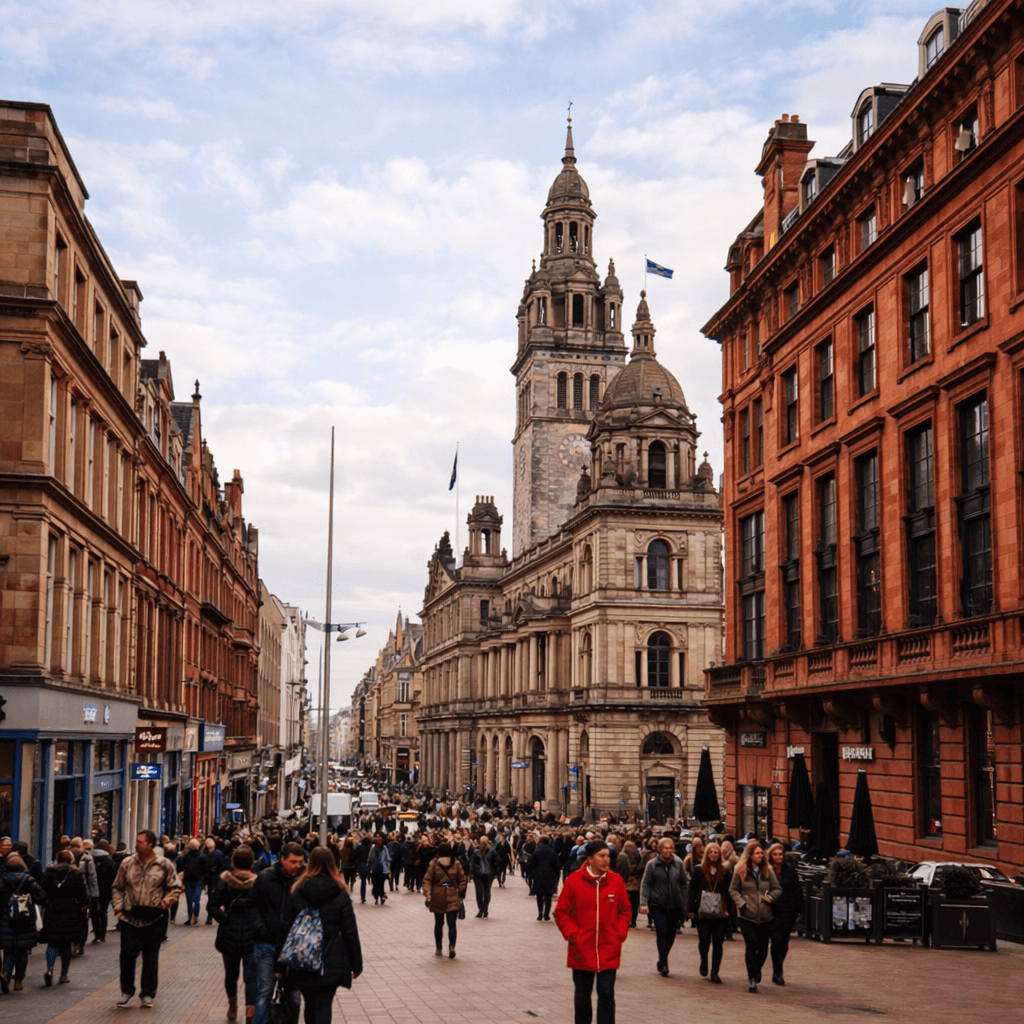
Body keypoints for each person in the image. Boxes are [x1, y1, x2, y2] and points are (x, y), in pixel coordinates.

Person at [281, 847, 362, 1024]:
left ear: (309, 864)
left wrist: (279, 965)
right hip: (330, 957)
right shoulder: (340, 893)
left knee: (309, 1004)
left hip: (302, 958)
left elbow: (286, 929)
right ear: (333, 865)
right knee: (324, 1005)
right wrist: (356, 964)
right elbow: (350, 931)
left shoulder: (296, 890)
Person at [554, 840, 630, 1024]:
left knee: (606, 993)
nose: (606, 860)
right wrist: (574, 935)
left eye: (608, 856)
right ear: (589, 859)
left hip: (608, 947)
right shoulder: (573, 881)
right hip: (582, 948)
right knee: (582, 996)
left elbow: (625, 910)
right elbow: (561, 912)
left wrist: (619, 933)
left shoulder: (615, 881)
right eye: (601, 856)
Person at [110, 829, 184, 1008]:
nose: (137, 844)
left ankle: (148, 993)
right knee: (127, 955)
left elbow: (176, 888)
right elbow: (118, 887)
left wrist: (164, 904)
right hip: (130, 918)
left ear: (150, 844)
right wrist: (118, 909)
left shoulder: (164, 864)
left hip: (154, 918)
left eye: (140, 841)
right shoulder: (127, 863)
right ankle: (127, 990)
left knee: (151, 957)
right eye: (137, 841)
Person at [252, 841, 305, 1024]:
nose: (297, 865)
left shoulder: (302, 880)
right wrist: (261, 929)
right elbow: (252, 907)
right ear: (282, 859)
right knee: (265, 991)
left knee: (295, 996)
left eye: (300, 861)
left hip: (293, 946)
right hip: (267, 943)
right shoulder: (266, 877)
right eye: (293, 861)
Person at [210, 845, 259, 1021]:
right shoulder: (259, 882)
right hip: (252, 934)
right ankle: (250, 1011)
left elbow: (212, 906)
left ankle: (232, 1006)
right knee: (251, 976)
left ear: (233, 861)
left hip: (228, 933)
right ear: (252, 862)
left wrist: (224, 919)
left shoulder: (224, 881)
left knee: (231, 975)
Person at [728, 839, 781, 993]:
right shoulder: (740, 870)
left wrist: (770, 897)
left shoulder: (767, 870)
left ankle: (757, 969)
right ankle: (752, 978)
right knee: (751, 944)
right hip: (747, 915)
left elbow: (777, 888)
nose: (760, 855)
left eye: (761, 853)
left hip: (765, 915)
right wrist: (741, 903)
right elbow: (733, 890)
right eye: (757, 853)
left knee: (763, 947)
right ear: (750, 855)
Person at [638, 837, 687, 978]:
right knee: (662, 931)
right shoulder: (652, 865)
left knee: (671, 934)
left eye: (670, 848)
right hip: (657, 904)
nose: (668, 851)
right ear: (660, 849)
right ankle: (664, 962)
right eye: (665, 848)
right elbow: (645, 884)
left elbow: (684, 883)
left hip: (675, 904)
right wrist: (643, 903)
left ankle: (662, 957)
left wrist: (685, 903)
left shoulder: (678, 863)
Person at [40, 848, 89, 986]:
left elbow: (42, 891)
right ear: (71, 860)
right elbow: (82, 893)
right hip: (71, 911)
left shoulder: (49, 871)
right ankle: (63, 975)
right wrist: (83, 907)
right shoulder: (76, 873)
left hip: (52, 910)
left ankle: (50, 969)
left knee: (52, 943)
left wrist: (46, 904)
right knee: (66, 944)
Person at [687, 842, 732, 983]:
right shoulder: (699, 870)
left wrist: (729, 910)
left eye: (716, 852)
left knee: (718, 942)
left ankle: (715, 971)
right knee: (704, 940)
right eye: (711, 852)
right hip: (703, 910)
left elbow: (729, 891)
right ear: (707, 853)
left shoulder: (725, 871)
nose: (714, 854)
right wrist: (690, 910)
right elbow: (692, 890)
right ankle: (704, 958)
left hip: (720, 911)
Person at [0, 854, 45, 992]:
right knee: (22, 950)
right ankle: (18, 981)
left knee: (9, 949)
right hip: (25, 917)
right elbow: (40, 895)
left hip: (6, 917)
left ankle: (6, 974)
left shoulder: (2, 880)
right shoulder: (28, 879)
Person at [766, 842, 803, 986]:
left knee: (784, 942)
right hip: (773, 910)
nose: (778, 857)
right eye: (775, 854)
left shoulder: (790, 871)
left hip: (788, 911)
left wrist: (800, 908)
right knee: (776, 941)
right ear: (771, 856)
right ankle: (777, 971)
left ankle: (779, 965)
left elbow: (797, 890)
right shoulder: (767, 871)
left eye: (780, 854)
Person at [422, 843, 467, 958]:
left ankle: (438, 947)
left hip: (438, 896)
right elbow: (463, 880)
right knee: (452, 924)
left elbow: (427, 880)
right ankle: (452, 946)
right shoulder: (456, 863)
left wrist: (428, 894)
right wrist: (459, 891)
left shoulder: (433, 864)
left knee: (439, 924)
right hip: (453, 895)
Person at [528, 835, 561, 921]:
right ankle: (546, 914)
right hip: (550, 877)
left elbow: (531, 865)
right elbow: (557, 866)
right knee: (548, 897)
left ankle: (540, 913)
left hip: (538, 876)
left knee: (539, 896)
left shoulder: (536, 851)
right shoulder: (552, 852)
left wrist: (531, 874)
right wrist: (556, 877)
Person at [177, 839, 207, 925]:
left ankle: (191, 916)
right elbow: (205, 869)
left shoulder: (187, 856)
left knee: (190, 900)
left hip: (191, 880)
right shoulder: (202, 856)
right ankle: (193, 916)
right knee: (195, 900)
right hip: (196, 880)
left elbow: (182, 867)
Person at [615, 841, 643, 928]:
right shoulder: (638, 857)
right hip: (635, 882)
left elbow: (621, 870)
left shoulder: (622, 856)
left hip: (626, 881)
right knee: (634, 902)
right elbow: (641, 868)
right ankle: (633, 921)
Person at [469, 836, 498, 918]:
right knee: (479, 892)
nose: (483, 844)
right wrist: (472, 873)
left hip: (489, 875)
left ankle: (485, 909)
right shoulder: (476, 852)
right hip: (478, 875)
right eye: (482, 843)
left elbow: (496, 862)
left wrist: (495, 872)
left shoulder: (492, 851)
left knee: (487, 892)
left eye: (485, 843)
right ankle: (480, 909)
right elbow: (472, 863)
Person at [367, 835, 390, 905]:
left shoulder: (384, 848)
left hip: (382, 870)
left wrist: (388, 865)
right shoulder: (373, 848)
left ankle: (380, 897)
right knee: (376, 884)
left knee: (380, 884)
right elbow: (370, 858)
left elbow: (387, 858)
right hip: (376, 869)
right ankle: (378, 896)